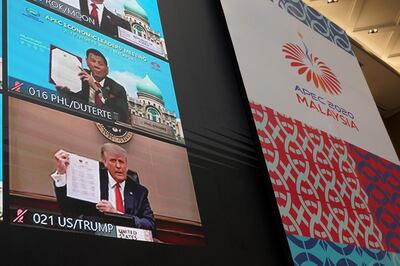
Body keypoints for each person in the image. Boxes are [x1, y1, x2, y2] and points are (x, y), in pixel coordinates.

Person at [51, 143, 155, 231]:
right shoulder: (93, 182)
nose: (118, 166)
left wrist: (116, 213)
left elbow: (149, 224)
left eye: (121, 162)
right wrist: (61, 173)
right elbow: (68, 211)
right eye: (113, 161)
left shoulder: (139, 192)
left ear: (126, 165)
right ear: (105, 163)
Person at [57, 48, 130, 123]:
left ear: (107, 70)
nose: (96, 66)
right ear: (87, 62)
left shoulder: (117, 89)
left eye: (100, 64)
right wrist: (64, 93)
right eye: (93, 61)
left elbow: (122, 116)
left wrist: (96, 88)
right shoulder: (79, 76)